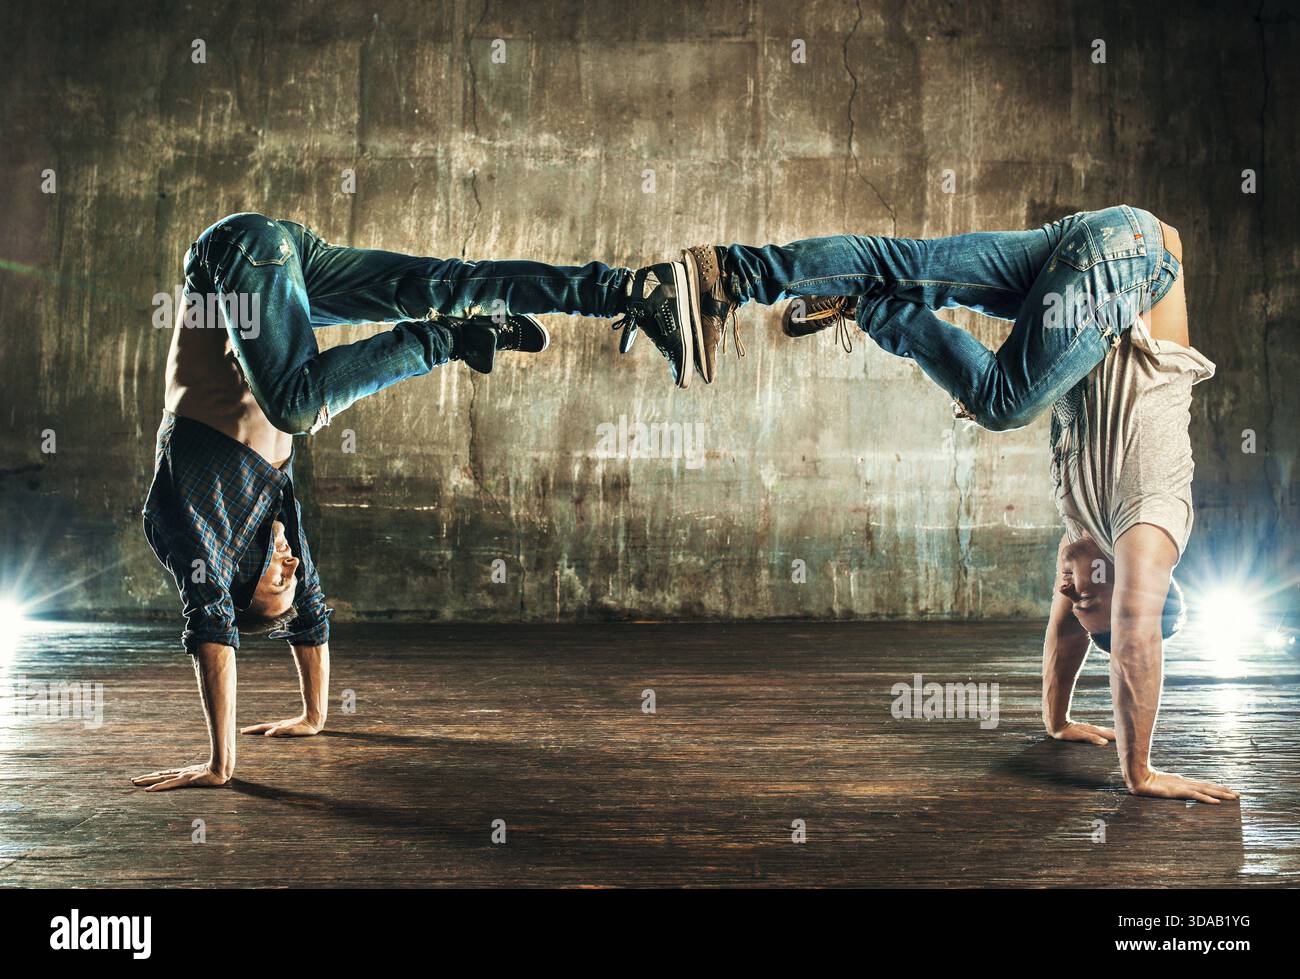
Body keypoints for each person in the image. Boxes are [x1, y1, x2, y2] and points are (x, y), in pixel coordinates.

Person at [668, 205, 1238, 804]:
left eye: (1072, 602)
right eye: (1089, 596)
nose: (1069, 594)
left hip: (1080, 258)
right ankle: (870, 308)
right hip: (1132, 264)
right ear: (1134, 589)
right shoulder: (1152, 519)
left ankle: (726, 274)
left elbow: (1066, 634)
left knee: (908, 266)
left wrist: (1055, 721)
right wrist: (1139, 770)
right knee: (1001, 401)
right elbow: (1132, 637)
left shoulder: (1083, 520)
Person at [133, 213, 698, 791]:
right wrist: (315, 715)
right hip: (283, 275)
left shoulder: (189, 518)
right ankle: (630, 291)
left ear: (238, 575)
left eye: (278, 579)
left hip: (233, 263)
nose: (293, 566)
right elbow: (312, 611)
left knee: (299, 409)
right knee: (452, 283)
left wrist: (220, 766)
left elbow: (211, 625)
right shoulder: (274, 511)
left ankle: (451, 338)